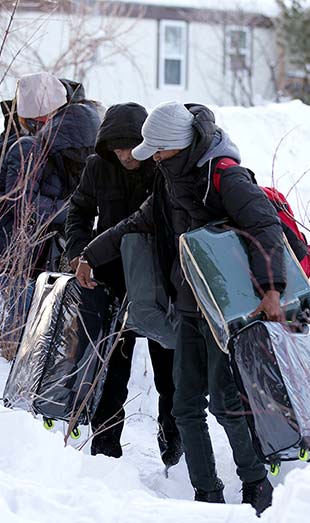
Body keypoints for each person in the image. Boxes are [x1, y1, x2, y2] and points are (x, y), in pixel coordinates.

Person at [78, 101, 283, 515]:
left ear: (175, 146)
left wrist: (272, 288)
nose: (151, 157)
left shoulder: (225, 176)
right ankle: (206, 494)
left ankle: (256, 485)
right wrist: (90, 255)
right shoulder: (168, 180)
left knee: (226, 403)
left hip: (230, 308)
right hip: (189, 303)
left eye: (157, 150)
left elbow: (266, 226)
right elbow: (136, 222)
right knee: (185, 404)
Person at [65, 103, 181, 465]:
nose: (123, 155)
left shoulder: (162, 166)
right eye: (115, 149)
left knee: (170, 376)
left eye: (129, 147)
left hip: (160, 283)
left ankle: (173, 450)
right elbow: (79, 210)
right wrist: (77, 251)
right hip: (111, 280)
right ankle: (105, 453)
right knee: (111, 374)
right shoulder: (98, 167)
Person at [0, 72, 101, 355]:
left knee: (23, 307)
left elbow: (22, 202)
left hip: (30, 244)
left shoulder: (33, 145)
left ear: (40, 119)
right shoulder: (91, 125)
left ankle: (13, 352)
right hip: (68, 236)